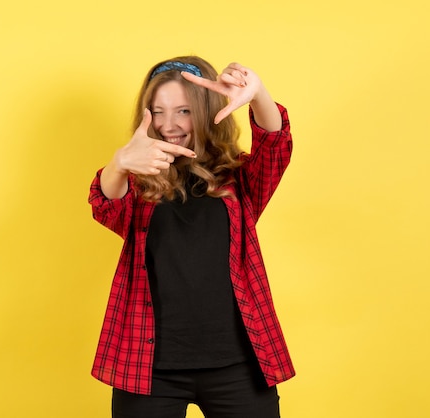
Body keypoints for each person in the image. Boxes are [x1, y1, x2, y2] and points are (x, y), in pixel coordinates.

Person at [88, 56, 295, 418]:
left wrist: (258, 92)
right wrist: (119, 162)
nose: (170, 125)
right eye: (158, 111)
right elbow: (105, 204)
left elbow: (275, 145)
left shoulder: (239, 179)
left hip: (238, 364)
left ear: (205, 110)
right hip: (149, 367)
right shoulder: (137, 183)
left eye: (183, 110)